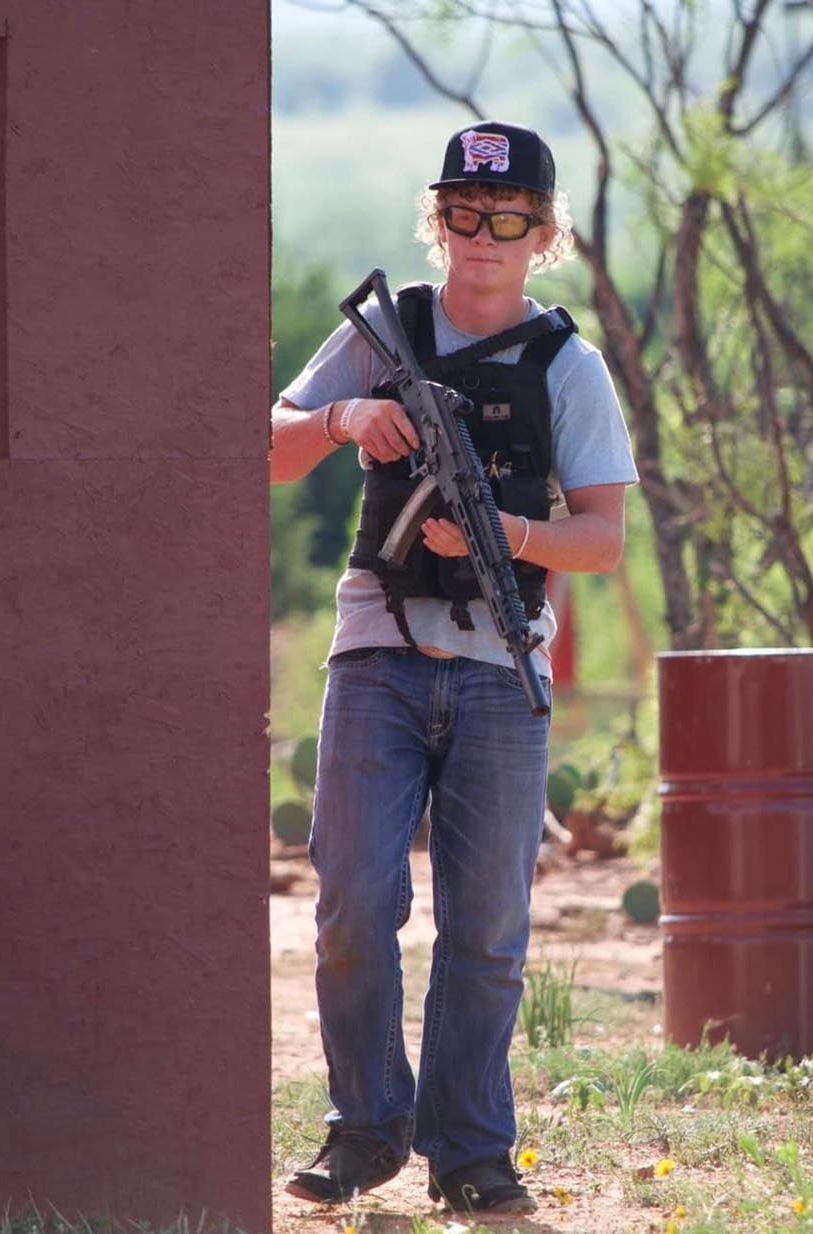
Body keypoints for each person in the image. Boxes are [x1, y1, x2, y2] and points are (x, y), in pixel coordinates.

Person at [267, 120, 638, 1214]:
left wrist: (507, 537)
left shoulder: (569, 366)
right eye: (465, 213)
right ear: (439, 220)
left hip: (499, 668)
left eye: (509, 218)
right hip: (377, 653)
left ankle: (471, 1151)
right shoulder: (389, 332)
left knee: (485, 932)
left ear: (543, 233)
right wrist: (347, 416)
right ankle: (364, 1129)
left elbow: (603, 541)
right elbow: (268, 448)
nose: (484, 235)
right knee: (350, 908)